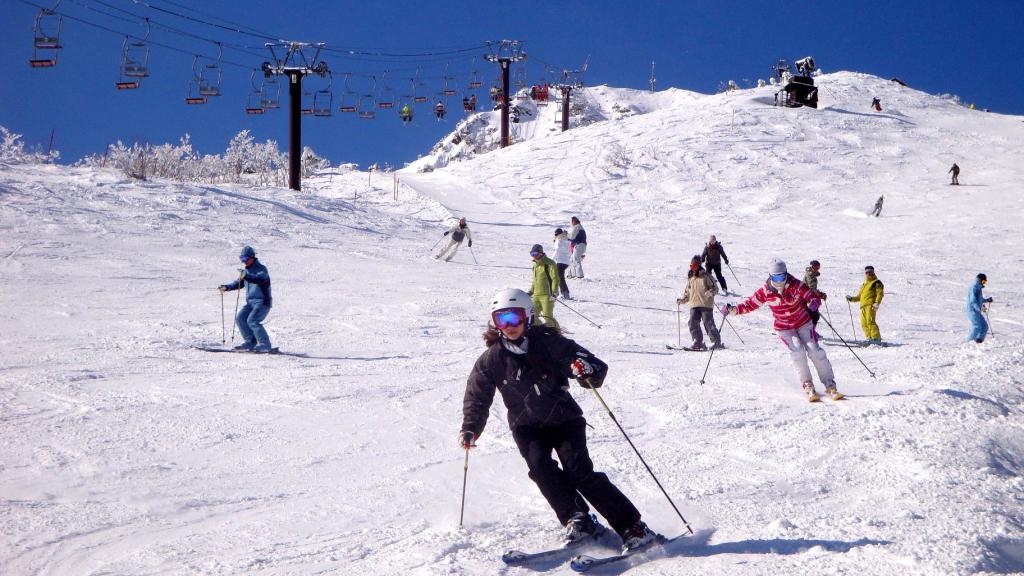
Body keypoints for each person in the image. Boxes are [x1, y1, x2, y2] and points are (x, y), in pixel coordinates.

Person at [459, 288, 660, 551]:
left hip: (564, 420)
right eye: (501, 320)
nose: (509, 326)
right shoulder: (491, 359)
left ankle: (632, 526)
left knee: (579, 472)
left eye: (515, 318)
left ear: (528, 316)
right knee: (541, 470)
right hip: (526, 426)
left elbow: (592, 365)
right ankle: (577, 518)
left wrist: (584, 369)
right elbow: (477, 396)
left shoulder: (549, 343)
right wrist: (470, 428)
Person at [723, 259, 843, 402]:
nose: (780, 280)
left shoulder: (796, 284)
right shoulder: (766, 290)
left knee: (815, 351)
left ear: (786, 273)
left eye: (782, 276)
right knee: (797, 351)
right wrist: (733, 310)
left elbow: (809, 294)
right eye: (776, 277)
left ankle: (830, 384)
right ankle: (807, 384)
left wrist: (814, 301)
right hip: (784, 328)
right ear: (770, 276)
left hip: (803, 323)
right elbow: (751, 304)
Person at [218, 246, 273, 352]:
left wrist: (246, 276)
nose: (244, 262)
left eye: (245, 258)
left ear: (252, 257)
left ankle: (265, 344)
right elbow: (238, 283)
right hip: (251, 303)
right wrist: (226, 287)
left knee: (252, 320)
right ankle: (250, 342)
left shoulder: (262, 269)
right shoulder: (246, 272)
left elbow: (259, 279)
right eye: (242, 259)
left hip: (262, 302)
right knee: (240, 318)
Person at [677, 256, 723, 350]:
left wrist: (710, 292)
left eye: (694, 265)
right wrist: (683, 300)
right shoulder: (691, 279)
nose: (692, 268)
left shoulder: (706, 276)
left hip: (705, 304)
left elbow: (715, 288)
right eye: (691, 266)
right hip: (694, 304)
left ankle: (716, 342)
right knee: (692, 323)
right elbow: (688, 293)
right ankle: (697, 342)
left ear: (698, 265)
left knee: (708, 323)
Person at [846, 265, 884, 344]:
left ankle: (876, 338)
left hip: (871, 305)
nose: (869, 274)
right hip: (863, 306)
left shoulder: (876, 282)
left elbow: (880, 294)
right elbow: (859, 297)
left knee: (870, 321)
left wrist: (877, 303)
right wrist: (851, 299)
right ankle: (869, 338)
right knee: (864, 324)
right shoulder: (864, 285)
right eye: (867, 272)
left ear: (873, 272)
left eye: (870, 272)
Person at [529, 244, 561, 328]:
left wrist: (554, 292)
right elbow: (535, 281)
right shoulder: (535, 265)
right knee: (532, 317)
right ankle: (540, 331)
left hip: (547, 295)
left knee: (547, 317)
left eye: (535, 254)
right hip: (536, 295)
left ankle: (557, 333)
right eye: (532, 254)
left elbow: (555, 278)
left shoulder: (549, 263)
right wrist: (531, 291)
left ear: (540, 253)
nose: (534, 256)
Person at [967, 273, 994, 343]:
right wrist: (980, 309)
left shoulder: (978, 287)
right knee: (977, 327)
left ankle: (978, 341)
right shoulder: (974, 287)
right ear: (979, 280)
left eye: (985, 282)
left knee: (984, 327)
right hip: (972, 311)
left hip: (977, 311)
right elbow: (973, 302)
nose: (984, 283)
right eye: (983, 281)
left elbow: (980, 300)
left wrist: (987, 300)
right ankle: (968, 343)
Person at [802, 260, 828, 328]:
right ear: (811, 267)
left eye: (818, 268)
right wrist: (821, 295)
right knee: (814, 316)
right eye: (815, 268)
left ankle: (810, 332)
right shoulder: (811, 276)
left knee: (812, 315)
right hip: (807, 298)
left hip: (807, 297)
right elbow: (812, 289)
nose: (817, 269)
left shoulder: (810, 273)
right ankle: (811, 332)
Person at [552, 228, 572, 300]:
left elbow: (557, 250)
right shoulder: (566, 240)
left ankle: (564, 294)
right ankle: (563, 293)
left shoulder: (558, 240)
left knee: (559, 278)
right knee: (559, 277)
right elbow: (570, 251)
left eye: (555, 234)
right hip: (566, 262)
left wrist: (551, 259)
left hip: (560, 261)